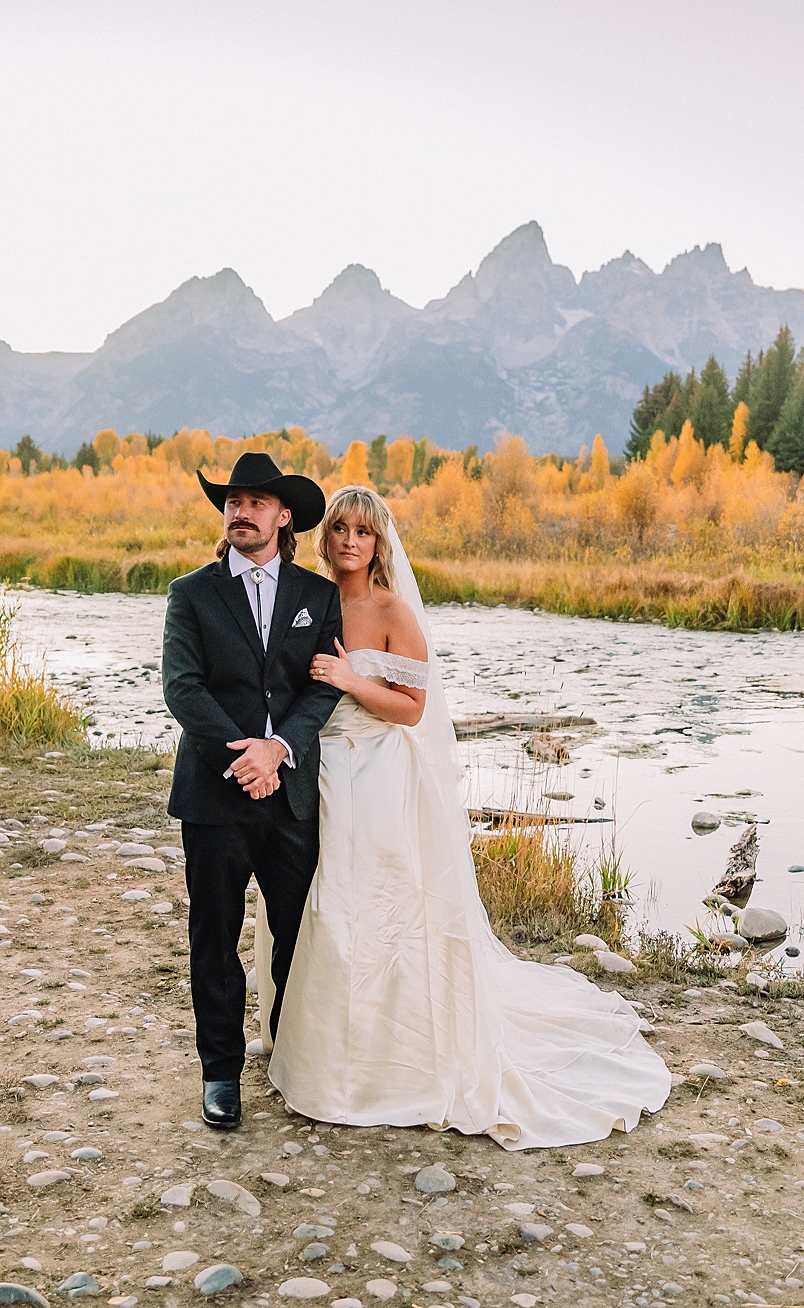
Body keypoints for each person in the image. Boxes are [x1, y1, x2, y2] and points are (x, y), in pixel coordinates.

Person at [261, 485, 671, 1150]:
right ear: (325, 535)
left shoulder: (392, 609)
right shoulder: (307, 598)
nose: (348, 542)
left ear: (378, 542)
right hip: (320, 767)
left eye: (362, 532)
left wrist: (350, 679)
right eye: (340, 529)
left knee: (363, 903)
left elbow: (412, 707)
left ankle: (388, 1063)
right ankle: (322, 1053)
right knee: (315, 901)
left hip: (378, 774)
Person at [162, 452, 343, 1130]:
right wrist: (244, 758)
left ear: (283, 515)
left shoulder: (317, 596)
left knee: (302, 931)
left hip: (291, 794)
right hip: (215, 793)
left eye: (256, 502)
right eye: (233, 501)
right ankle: (219, 1073)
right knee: (214, 934)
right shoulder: (191, 594)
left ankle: (293, 1057)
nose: (241, 511)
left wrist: (279, 749)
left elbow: (324, 683)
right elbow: (182, 688)